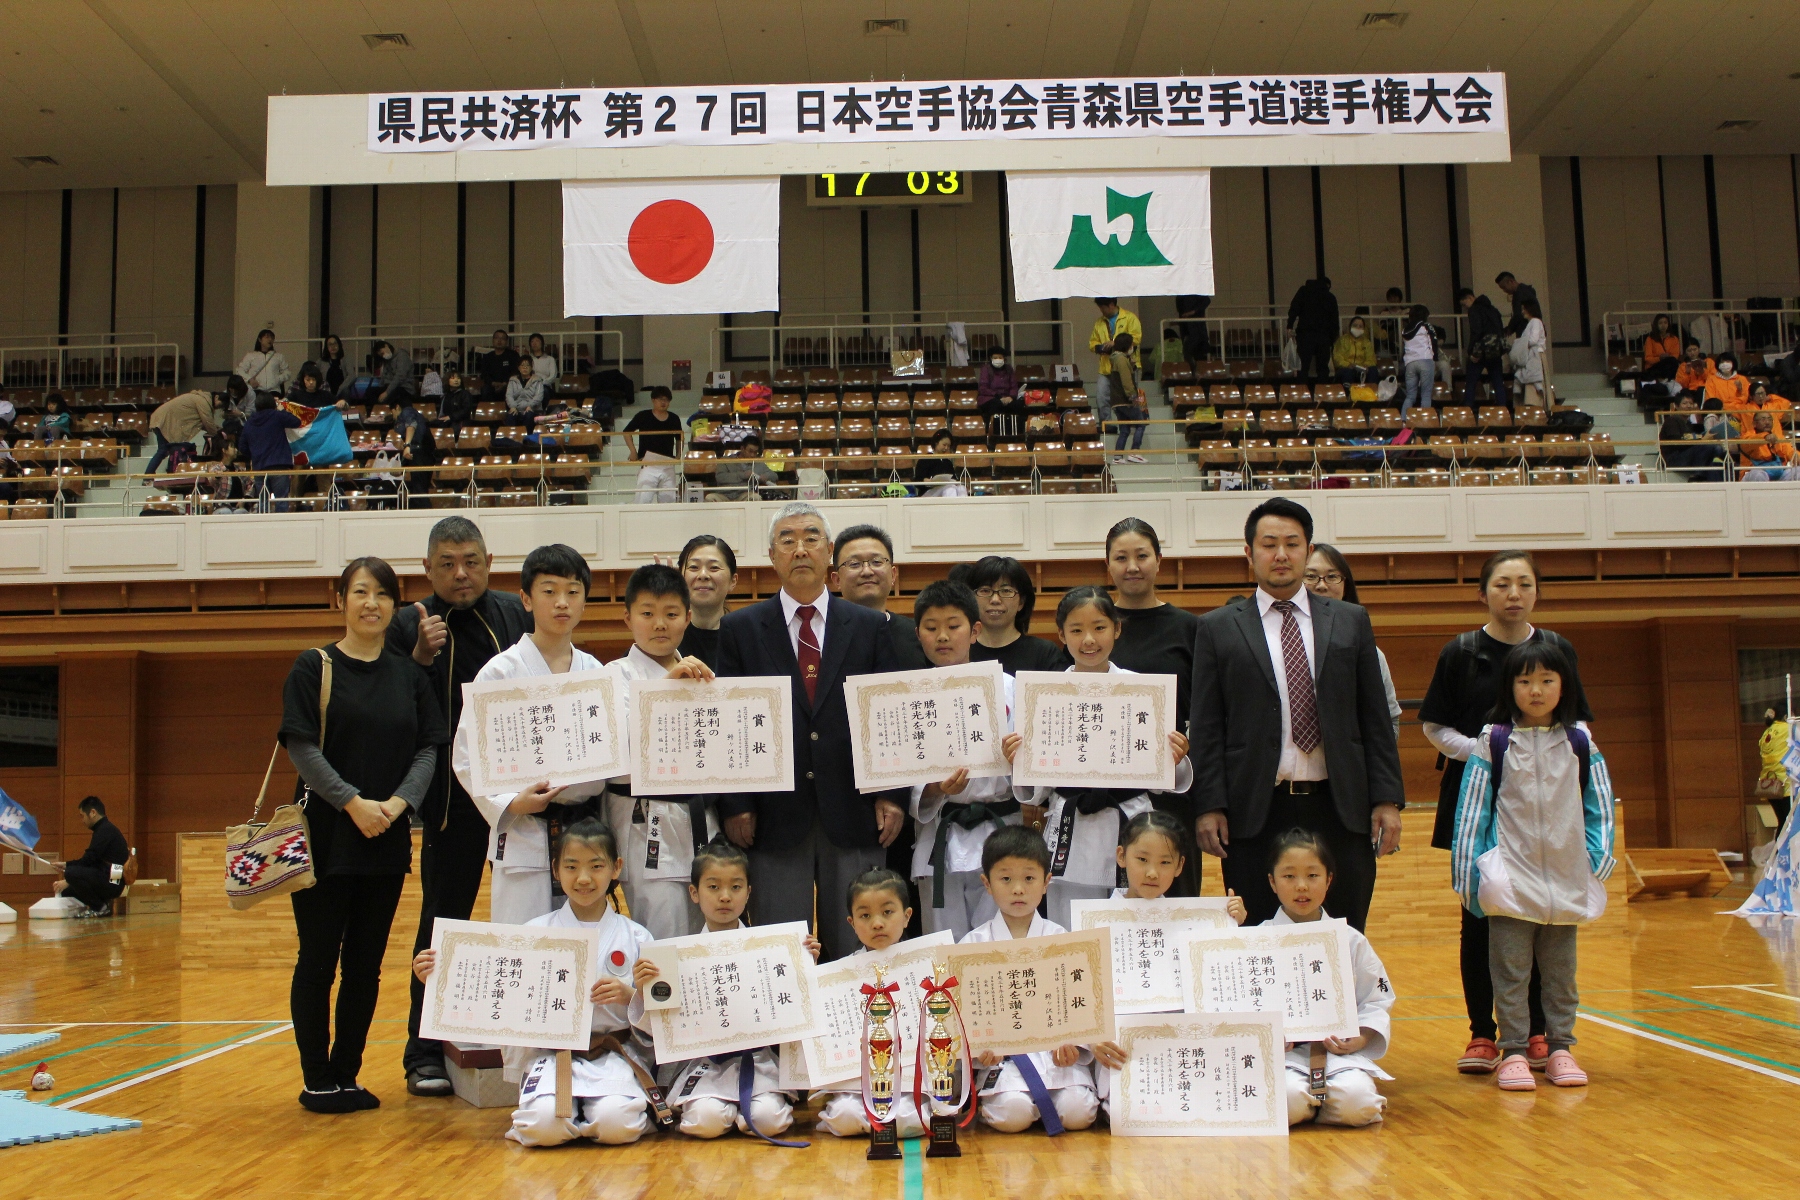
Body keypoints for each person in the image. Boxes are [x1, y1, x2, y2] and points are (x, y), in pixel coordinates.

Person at [1190, 497, 1404, 932]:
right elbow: (1208, 726)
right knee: (1258, 937)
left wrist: (1387, 799)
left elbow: (1375, 720)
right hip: (1256, 809)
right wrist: (1209, 804)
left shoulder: (1350, 620)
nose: (1281, 554)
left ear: (1308, 549)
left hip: (1339, 806)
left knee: (1343, 930)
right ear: (1249, 553)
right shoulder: (1217, 627)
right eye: (1269, 544)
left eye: (1292, 543)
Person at [280, 556, 447, 1114]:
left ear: (394, 606)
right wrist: (353, 802)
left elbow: (429, 747)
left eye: (381, 594)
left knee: (366, 965)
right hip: (327, 838)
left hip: (387, 837)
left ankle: (347, 1073)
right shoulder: (314, 666)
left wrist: (399, 805)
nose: (370, 603)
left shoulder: (409, 675)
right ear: (340, 601)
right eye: (359, 592)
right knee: (318, 959)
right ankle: (316, 1077)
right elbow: (301, 747)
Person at [1417, 548, 1592, 1075]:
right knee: (1481, 916)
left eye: (1524, 584)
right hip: (1477, 800)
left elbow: (1579, 724)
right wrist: (1491, 754)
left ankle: (1539, 1032)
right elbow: (1434, 727)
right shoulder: (1461, 651)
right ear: (1483, 593)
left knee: (1543, 914)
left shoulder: (1557, 648)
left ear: (1536, 591)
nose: (1513, 594)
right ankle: (1482, 1034)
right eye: (1502, 585)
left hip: (1547, 806)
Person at [711, 502, 908, 962]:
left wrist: (892, 794)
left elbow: (888, 717)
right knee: (781, 946)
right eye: (787, 540)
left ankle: (856, 1032)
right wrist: (737, 804)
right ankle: (784, 1037)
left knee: (859, 941)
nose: (800, 548)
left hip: (856, 807)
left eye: (811, 537)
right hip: (774, 811)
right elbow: (728, 723)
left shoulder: (868, 625)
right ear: (772, 556)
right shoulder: (739, 629)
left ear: (830, 552)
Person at [388, 517, 532, 1097]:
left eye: (470, 561)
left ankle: (532, 1036)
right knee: (442, 921)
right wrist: (417, 660)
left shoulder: (515, 615)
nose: (460, 573)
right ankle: (422, 1049)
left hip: (521, 799)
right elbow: (392, 704)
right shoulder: (409, 623)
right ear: (427, 569)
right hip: (452, 804)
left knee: (528, 913)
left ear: (490, 561)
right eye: (446, 564)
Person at [424, 819, 659, 1147]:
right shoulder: (534, 933)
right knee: (542, 1128)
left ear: (616, 868)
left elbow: (661, 1014)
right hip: (551, 1055)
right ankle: (573, 1116)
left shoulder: (636, 936)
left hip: (612, 1054)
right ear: (555, 869)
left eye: (596, 866)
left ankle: (592, 1116)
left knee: (615, 1126)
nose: (584, 878)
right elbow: (495, 994)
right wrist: (439, 976)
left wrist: (630, 995)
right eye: (571, 866)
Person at [1453, 639, 1614, 1092]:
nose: (1536, 690)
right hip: (1510, 883)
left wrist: (1594, 865)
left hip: (1565, 880)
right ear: (1511, 687)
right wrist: (1473, 876)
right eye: (1525, 681)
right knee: (1509, 970)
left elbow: (1599, 806)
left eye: (1547, 680)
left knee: (1561, 971)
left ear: (1565, 686)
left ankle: (1561, 1047)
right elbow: (1473, 811)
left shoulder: (1580, 742)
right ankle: (1515, 1052)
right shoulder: (1495, 741)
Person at [449, 544, 613, 930]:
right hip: (523, 833)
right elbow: (466, 758)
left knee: (584, 946)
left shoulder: (595, 672)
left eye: (573, 592)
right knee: (523, 947)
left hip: (583, 833)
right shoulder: (500, 672)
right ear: (525, 598)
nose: (562, 603)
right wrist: (510, 803)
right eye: (549, 591)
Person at [1014, 587, 1192, 928]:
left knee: (1131, 934)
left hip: (1131, 824)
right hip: (1072, 826)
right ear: (1061, 635)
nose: (1088, 640)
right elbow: (1035, 794)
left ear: (1117, 629)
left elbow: (1164, 784)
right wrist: (1018, 761)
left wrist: (1175, 757)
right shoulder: (1044, 695)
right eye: (1076, 630)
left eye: (1099, 627)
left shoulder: (1143, 690)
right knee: (1071, 934)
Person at [633, 840, 817, 1141]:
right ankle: (724, 1110)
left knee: (768, 1120)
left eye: (735, 887)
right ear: (694, 893)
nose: (725, 897)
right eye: (714, 887)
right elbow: (659, 1032)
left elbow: (799, 1012)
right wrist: (643, 992)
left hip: (758, 1061)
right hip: (706, 1065)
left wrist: (807, 968)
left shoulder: (774, 949)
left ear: (749, 892)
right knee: (706, 1122)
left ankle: (749, 1111)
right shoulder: (673, 956)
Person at [959, 825, 1103, 1134]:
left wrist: (1072, 1044)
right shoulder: (973, 946)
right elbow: (965, 1018)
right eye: (1006, 878)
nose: (1018, 889)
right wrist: (981, 1050)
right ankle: (998, 1103)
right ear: (987, 883)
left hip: (1056, 1060)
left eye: (1029, 878)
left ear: (1046, 882)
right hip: (1006, 1062)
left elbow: (1079, 1006)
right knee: (1014, 1115)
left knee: (1079, 1113)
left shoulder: (1062, 939)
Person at [606, 564, 720, 938]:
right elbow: (617, 760)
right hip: (646, 828)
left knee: (709, 937)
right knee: (661, 941)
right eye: (647, 614)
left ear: (687, 617)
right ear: (627, 618)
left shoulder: (703, 675)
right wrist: (665, 692)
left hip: (703, 824)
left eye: (671, 614)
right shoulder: (615, 675)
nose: (660, 624)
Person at [909, 579, 1019, 938]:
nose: (943, 636)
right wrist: (933, 788)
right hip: (940, 831)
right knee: (943, 948)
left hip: (1001, 829)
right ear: (918, 634)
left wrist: (1019, 761)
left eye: (953, 626)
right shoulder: (907, 697)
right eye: (931, 628)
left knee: (1000, 945)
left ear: (974, 631)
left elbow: (1034, 773)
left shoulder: (1010, 688)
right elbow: (904, 775)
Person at [1263, 828, 1395, 1127]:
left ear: (1329, 880)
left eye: (1312, 876)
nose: (1302, 887)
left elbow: (1377, 998)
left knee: (1359, 1106)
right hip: (1282, 1058)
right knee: (1286, 1104)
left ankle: (1323, 1100)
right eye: (1288, 876)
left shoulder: (1350, 940)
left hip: (1338, 1056)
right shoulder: (1256, 940)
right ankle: (1309, 1102)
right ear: (1272, 881)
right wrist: (1267, 1035)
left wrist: (1360, 1037)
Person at [813, 869, 930, 1139]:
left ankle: (881, 1124)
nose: (877, 923)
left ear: (907, 916)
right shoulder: (839, 976)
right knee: (845, 1116)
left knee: (908, 1118)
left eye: (887, 912)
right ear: (852, 923)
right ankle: (874, 1121)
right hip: (858, 1083)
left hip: (910, 1081)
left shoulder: (927, 970)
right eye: (865, 916)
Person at [1305, 544, 1401, 741]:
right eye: (1311, 576)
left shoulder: (1369, 653)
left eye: (1332, 577)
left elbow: (1388, 721)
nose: (1321, 585)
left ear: (1345, 585)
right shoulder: (1277, 649)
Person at [830, 524, 932, 671]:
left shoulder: (917, 634)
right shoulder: (824, 635)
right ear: (837, 580)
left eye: (876, 562)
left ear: (893, 575)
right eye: (854, 564)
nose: (866, 571)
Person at [967, 555, 1071, 675]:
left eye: (1006, 591)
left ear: (1021, 602)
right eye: (985, 591)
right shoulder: (959, 652)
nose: (995, 599)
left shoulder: (1045, 654)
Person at [51, 796, 128, 916]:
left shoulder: (105, 831)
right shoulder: (107, 829)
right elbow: (93, 861)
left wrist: (67, 870)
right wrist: (66, 866)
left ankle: (100, 907)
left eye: (82, 815)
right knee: (66, 891)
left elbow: (88, 861)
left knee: (71, 873)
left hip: (114, 880)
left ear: (92, 813)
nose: (82, 820)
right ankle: (102, 904)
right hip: (113, 877)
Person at [677, 534, 738, 669]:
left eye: (714, 568)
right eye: (693, 567)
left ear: (733, 581)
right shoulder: (667, 636)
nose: (703, 575)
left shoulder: (745, 638)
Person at [1088, 298, 1143, 434]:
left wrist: (1115, 344)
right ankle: (1107, 425)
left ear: (1111, 305)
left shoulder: (1130, 318)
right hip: (1106, 367)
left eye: (1103, 308)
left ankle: (1132, 425)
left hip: (1127, 365)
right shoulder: (1099, 323)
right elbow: (1092, 343)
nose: (1101, 311)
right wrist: (1099, 347)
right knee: (1101, 397)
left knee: (1129, 396)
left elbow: (1136, 338)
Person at [240, 392, 303, 506]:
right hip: (279, 466)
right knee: (281, 503)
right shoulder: (277, 415)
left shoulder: (249, 423)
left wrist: (254, 455)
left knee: (263, 504)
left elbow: (242, 447)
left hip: (259, 468)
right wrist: (281, 410)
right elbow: (297, 421)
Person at [624, 386, 684, 504]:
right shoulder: (643, 416)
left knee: (668, 502)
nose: (663, 402)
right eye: (660, 399)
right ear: (653, 400)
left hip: (667, 464)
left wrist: (678, 455)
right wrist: (633, 451)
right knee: (642, 500)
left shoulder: (674, 418)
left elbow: (679, 439)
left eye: (666, 400)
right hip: (648, 464)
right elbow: (626, 432)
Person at [146, 387, 223, 475]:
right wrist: (218, 433)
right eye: (221, 404)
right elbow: (208, 422)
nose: (219, 407)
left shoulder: (200, 399)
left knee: (166, 450)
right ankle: (148, 476)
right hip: (163, 421)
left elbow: (203, 423)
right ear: (216, 397)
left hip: (162, 419)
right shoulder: (203, 402)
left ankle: (153, 475)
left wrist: (216, 429)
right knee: (163, 450)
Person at [1459, 288, 1510, 406]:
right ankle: (1503, 410)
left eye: (1464, 303)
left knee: (1471, 382)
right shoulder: (1493, 309)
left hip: (1481, 351)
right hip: (1495, 351)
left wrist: (1471, 351)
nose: (1465, 307)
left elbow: (1476, 332)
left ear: (1470, 298)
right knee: (1498, 382)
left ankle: (1468, 411)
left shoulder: (1474, 310)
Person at [1286, 278, 1339, 385]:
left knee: (1303, 368)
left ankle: (1302, 394)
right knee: (1323, 369)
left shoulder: (1304, 291)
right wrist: (1332, 339)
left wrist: (1289, 325)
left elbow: (1294, 308)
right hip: (1323, 336)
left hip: (1305, 335)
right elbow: (1334, 320)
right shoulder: (1330, 297)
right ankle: (1322, 394)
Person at [707, 434, 774, 501]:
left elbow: (774, 475)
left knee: (755, 497)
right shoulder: (725, 460)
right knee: (709, 498)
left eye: (755, 452)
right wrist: (743, 475)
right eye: (750, 451)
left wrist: (766, 476)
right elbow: (720, 478)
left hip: (744, 494)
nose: (752, 455)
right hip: (724, 495)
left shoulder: (758, 463)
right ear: (742, 448)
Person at [1661, 412, 1725, 482]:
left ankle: (1714, 479)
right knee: (1706, 447)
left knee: (1717, 449)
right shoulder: (1672, 421)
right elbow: (1677, 444)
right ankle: (1697, 475)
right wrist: (1701, 440)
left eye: (1691, 403)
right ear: (1677, 406)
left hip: (1686, 454)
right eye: (1685, 403)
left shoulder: (1688, 423)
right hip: (1674, 458)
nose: (1688, 406)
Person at [1400, 304, 1440, 415]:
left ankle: (1404, 420)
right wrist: (1435, 359)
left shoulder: (1405, 330)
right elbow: (1434, 342)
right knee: (1426, 395)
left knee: (1410, 396)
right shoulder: (1426, 326)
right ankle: (1424, 420)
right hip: (1425, 360)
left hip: (1410, 363)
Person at [1758, 709, 1794, 832]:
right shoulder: (1788, 729)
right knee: (1791, 822)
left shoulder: (1766, 733)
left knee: (1782, 822)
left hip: (1770, 784)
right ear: (1786, 716)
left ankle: (1779, 850)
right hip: (1786, 784)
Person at [1736, 410, 1795, 481]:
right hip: (1752, 472)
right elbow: (1748, 444)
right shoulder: (1746, 436)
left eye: (1769, 419)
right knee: (1759, 474)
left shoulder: (1778, 437)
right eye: (1763, 419)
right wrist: (1765, 437)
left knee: (1797, 471)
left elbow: (1790, 452)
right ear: (1754, 423)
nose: (1767, 422)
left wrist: (1796, 457)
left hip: (1778, 472)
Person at [1509, 300, 1548, 408]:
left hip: (1534, 357)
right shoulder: (1532, 322)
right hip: (1530, 356)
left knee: (1532, 383)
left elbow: (1533, 340)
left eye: (1524, 309)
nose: (1522, 312)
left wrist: (1520, 344)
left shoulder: (1535, 321)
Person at [978, 347, 1020, 439]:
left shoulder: (1009, 369)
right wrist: (997, 396)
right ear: (991, 358)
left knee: (1017, 404)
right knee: (995, 405)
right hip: (990, 398)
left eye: (1000, 357)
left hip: (1007, 397)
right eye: (995, 357)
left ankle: (1014, 433)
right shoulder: (986, 369)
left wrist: (1011, 397)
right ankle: (994, 433)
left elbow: (1014, 386)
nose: (998, 359)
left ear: (1004, 359)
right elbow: (983, 388)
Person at [237, 328, 292, 396]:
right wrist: (249, 379)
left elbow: (287, 372)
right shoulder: (250, 356)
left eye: (272, 338)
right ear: (260, 339)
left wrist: (278, 379)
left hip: (274, 391)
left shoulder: (278, 356)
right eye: (267, 337)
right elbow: (240, 370)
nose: (270, 339)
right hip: (256, 390)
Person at [914, 429, 964, 496]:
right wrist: (927, 481)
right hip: (929, 492)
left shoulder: (948, 462)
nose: (946, 448)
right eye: (944, 445)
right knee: (949, 489)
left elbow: (954, 479)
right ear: (936, 443)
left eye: (948, 446)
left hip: (946, 488)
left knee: (961, 488)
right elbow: (917, 480)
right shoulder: (925, 459)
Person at [1331, 317, 1377, 386]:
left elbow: (1371, 359)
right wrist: (1348, 365)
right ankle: (1348, 394)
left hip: (1362, 370)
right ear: (1350, 327)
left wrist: (1366, 365)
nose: (1358, 328)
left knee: (1373, 371)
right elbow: (1337, 358)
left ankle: (1371, 393)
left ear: (1363, 329)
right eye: (1355, 325)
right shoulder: (1342, 340)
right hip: (1346, 369)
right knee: (1347, 372)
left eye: (1360, 326)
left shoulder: (1367, 342)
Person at [479, 329, 521, 401]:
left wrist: (504, 384)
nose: (499, 340)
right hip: (492, 385)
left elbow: (516, 372)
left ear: (506, 342)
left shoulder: (513, 355)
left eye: (502, 338)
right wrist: (493, 383)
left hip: (509, 384)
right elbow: (484, 374)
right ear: (493, 340)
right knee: (485, 390)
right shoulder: (487, 357)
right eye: (497, 338)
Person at [1495, 272, 1540, 337]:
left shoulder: (1519, 295)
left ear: (1511, 281)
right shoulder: (1527, 291)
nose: (1504, 291)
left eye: (1504, 287)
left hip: (1526, 332)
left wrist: (1508, 329)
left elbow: (1518, 315)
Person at [1641, 314, 1681, 381]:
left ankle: (1669, 382)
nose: (1663, 325)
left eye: (1665, 323)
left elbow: (1675, 355)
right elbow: (1648, 358)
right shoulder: (1650, 339)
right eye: (1660, 323)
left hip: (1669, 364)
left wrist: (1666, 358)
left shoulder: (1674, 338)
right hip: (1654, 366)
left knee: (1673, 362)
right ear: (1656, 325)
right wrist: (1659, 358)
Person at [372, 340, 414, 405]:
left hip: (404, 388)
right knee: (371, 392)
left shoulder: (402, 356)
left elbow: (400, 377)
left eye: (382, 353)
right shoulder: (387, 360)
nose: (383, 356)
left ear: (386, 346)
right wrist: (381, 387)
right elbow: (384, 376)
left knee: (390, 396)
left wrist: (386, 392)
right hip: (391, 387)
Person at [1176, 293, 1212, 365]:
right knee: (1188, 352)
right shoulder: (1181, 295)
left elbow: (1206, 300)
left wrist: (1193, 311)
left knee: (1196, 352)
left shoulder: (1194, 293)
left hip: (1196, 328)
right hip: (1188, 327)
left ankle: (1197, 371)